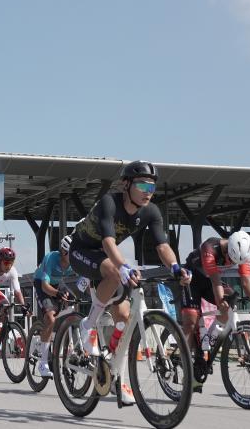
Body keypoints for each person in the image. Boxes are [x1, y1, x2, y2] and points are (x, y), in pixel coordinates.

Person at [68, 160, 189, 407]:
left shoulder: (151, 211)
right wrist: (123, 267)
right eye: (142, 185)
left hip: (107, 259)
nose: (148, 191)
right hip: (82, 251)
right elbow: (108, 242)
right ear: (126, 184)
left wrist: (176, 268)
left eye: (152, 187)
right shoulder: (109, 202)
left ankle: (116, 375)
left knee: (123, 318)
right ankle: (88, 325)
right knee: (115, 271)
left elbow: (162, 246)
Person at [180, 231, 250, 392]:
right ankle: (185, 364)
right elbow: (216, 282)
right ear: (227, 249)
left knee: (231, 300)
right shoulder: (209, 248)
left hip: (209, 280)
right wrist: (221, 302)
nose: (231, 262)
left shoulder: (243, 254)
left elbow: (246, 280)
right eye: (231, 259)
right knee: (191, 320)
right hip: (192, 279)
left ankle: (209, 338)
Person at [33, 234, 78, 378]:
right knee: (50, 318)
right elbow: (45, 286)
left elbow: (84, 279)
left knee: (74, 306)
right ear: (64, 252)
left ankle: (71, 349)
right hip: (41, 284)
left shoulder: (75, 261)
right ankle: (43, 363)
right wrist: (57, 294)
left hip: (58, 283)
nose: (75, 256)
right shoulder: (51, 258)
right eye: (72, 253)